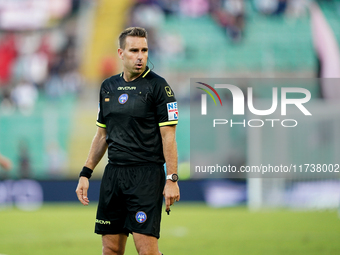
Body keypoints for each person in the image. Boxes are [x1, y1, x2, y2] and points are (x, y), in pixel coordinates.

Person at [75, 27, 180, 255]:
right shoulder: (107, 87)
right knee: (110, 249)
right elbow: (102, 135)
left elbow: (168, 136)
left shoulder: (159, 87)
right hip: (114, 176)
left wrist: (172, 178)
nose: (141, 56)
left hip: (146, 176)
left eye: (144, 50)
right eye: (134, 50)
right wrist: (85, 173)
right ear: (121, 53)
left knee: (147, 251)